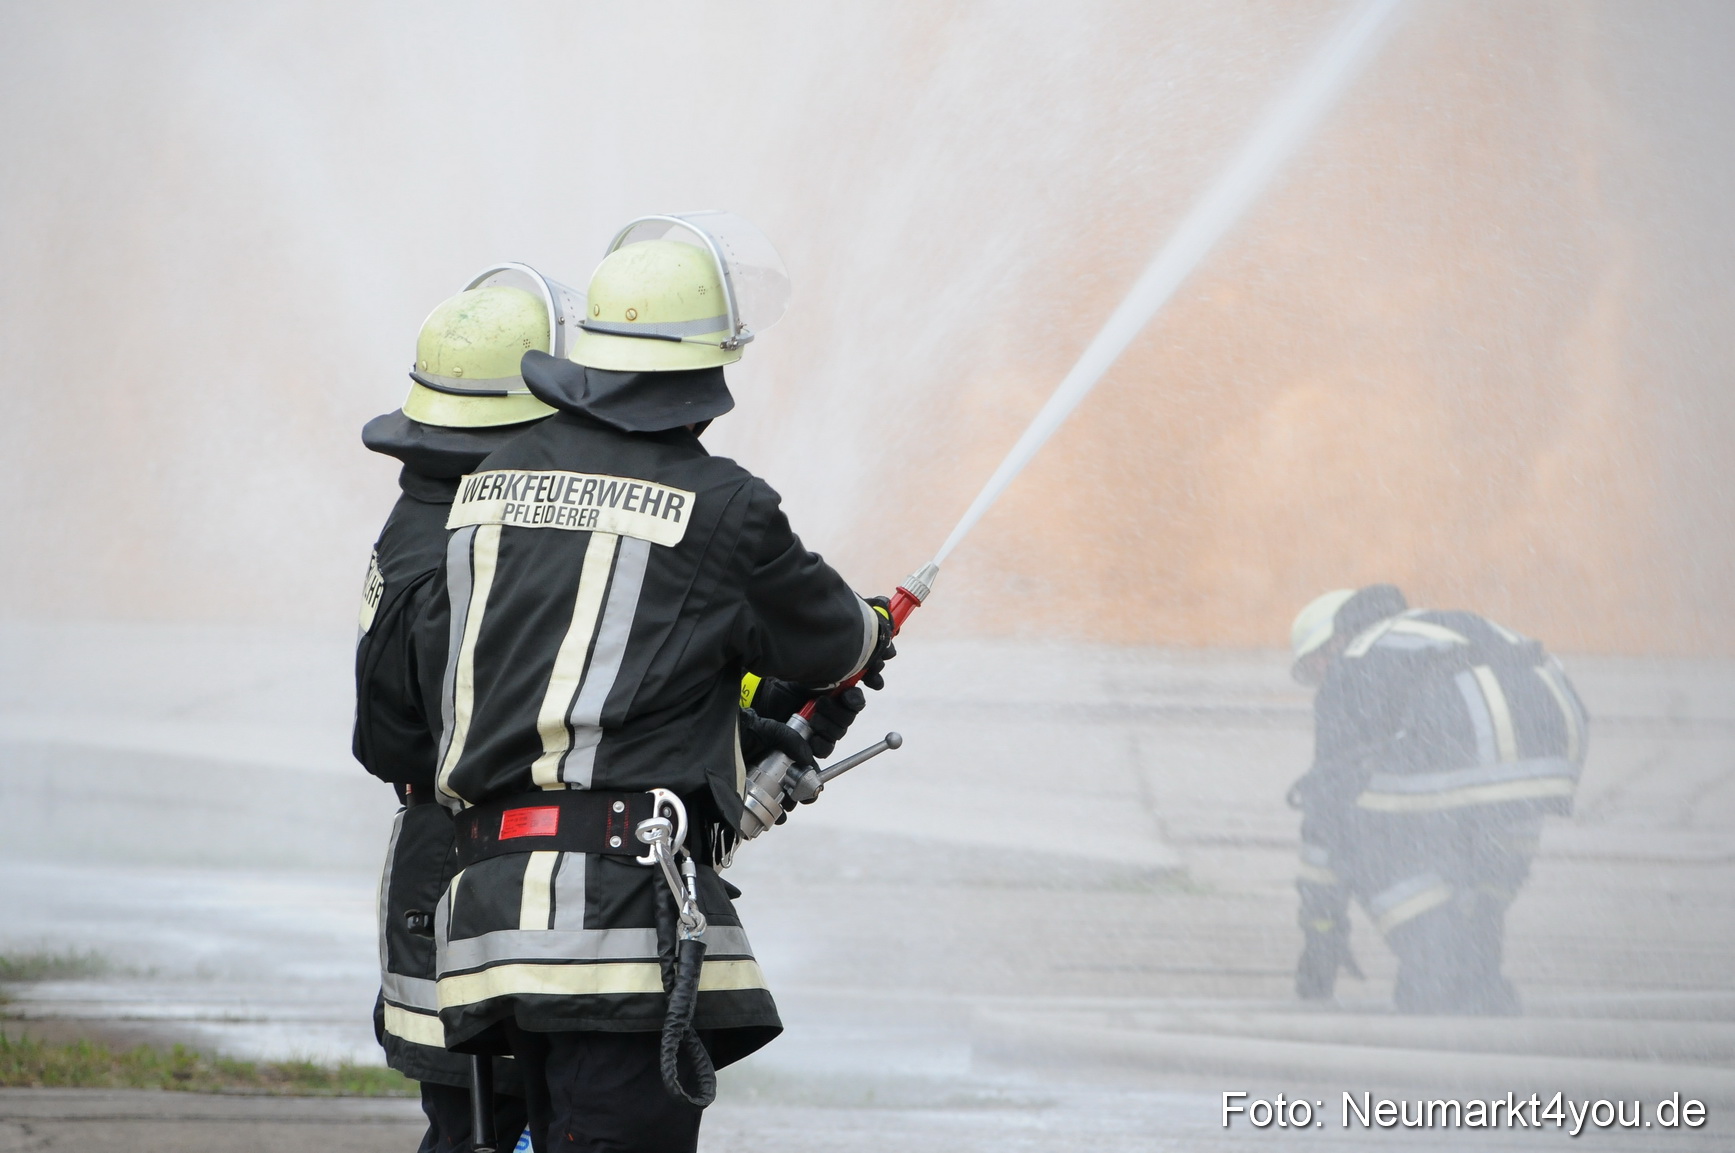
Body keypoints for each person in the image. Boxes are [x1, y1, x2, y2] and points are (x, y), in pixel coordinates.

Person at [428, 215, 894, 1152]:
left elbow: (589, 667)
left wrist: (731, 725)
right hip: (611, 929)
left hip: (488, 914)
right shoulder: (725, 505)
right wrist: (874, 626)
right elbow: (835, 639)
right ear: (706, 374)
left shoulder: (492, 478)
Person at [355, 266, 572, 1151]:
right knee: (492, 1127)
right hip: (472, 865)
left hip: (440, 863)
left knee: (482, 1125)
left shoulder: (430, 516)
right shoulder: (465, 557)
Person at [1286, 585, 1589, 1015]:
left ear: (1336, 640)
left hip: (1472, 749)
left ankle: (1438, 970)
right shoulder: (1434, 630)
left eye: (1313, 663)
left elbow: (1326, 805)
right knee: (1479, 866)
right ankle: (1477, 980)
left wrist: (1322, 935)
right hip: (1553, 751)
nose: (1319, 676)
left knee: (1357, 832)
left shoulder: (1356, 661)